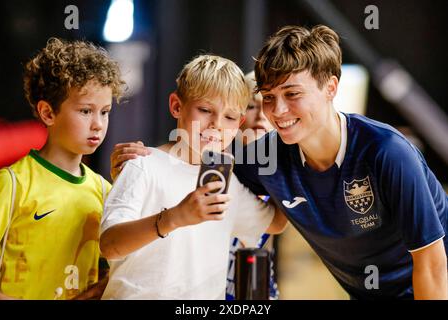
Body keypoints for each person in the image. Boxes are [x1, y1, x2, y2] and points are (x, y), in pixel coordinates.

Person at [112, 25, 448, 300]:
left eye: (293, 94)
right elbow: (188, 168)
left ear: (331, 87)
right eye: (268, 98)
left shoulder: (386, 151)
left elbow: (433, 266)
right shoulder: (266, 157)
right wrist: (142, 159)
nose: (278, 111)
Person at [99, 54, 288, 300]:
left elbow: (275, 222)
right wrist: (174, 217)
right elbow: (110, 245)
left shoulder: (228, 184)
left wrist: (294, 154)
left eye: (229, 117)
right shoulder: (142, 165)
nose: (217, 124)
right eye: (205, 110)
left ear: (239, 122)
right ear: (177, 106)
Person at [0, 38, 125, 299]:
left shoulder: (105, 191)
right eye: (86, 111)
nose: (98, 124)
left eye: (105, 112)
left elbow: (115, 271)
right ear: (47, 113)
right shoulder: (12, 183)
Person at [226, 71, 278, 300]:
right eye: (250, 106)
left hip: (253, 287)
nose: (260, 116)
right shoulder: (211, 161)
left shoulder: (281, 172)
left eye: (267, 101)